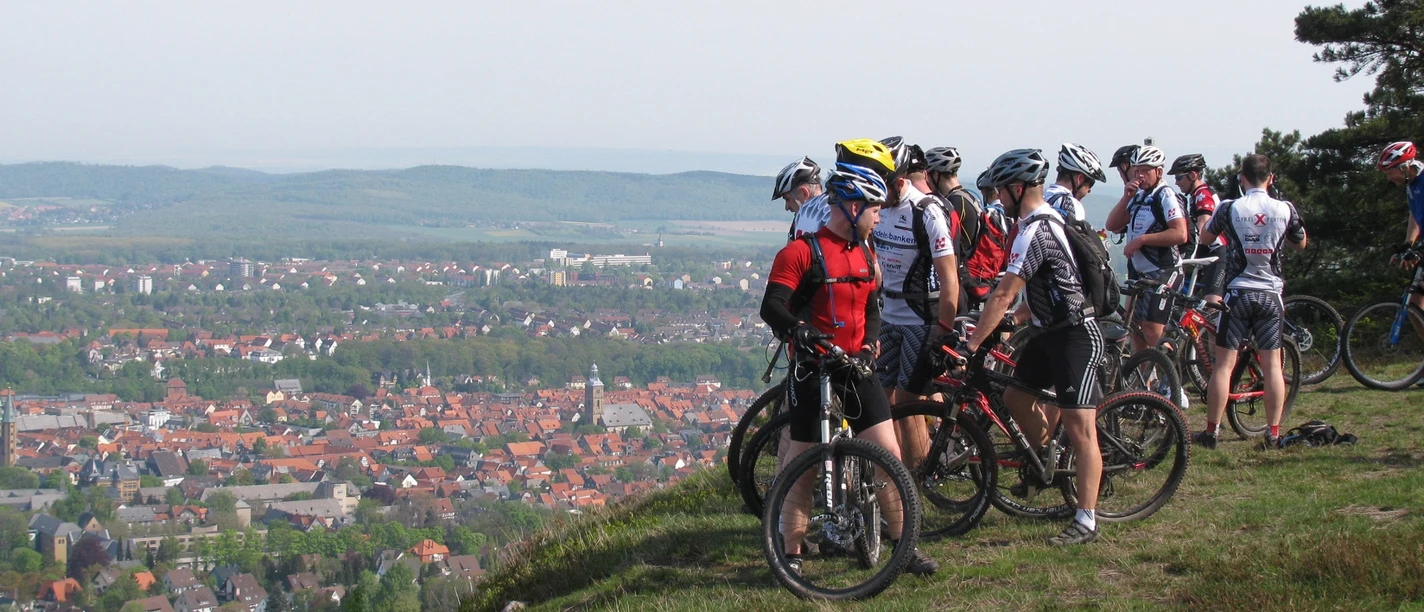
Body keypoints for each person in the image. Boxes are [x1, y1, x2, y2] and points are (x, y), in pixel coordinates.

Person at [759, 160, 939, 575]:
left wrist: (871, 344)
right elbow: (772, 305)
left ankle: (904, 546)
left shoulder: (864, 251)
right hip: (813, 367)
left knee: (888, 454)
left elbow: (872, 307)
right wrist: (799, 330)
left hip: (856, 365)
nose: (879, 217)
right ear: (853, 208)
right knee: (803, 464)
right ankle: (791, 552)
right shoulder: (800, 252)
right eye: (874, 209)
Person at [966, 149, 1106, 545]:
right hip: (1047, 333)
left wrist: (972, 343)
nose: (997, 197)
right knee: (1015, 397)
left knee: (1080, 429)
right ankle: (1048, 460)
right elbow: (1048, 287)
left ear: (1017, 188)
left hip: (1076, 335)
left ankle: (1086, 519)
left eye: (1000, 189)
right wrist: (1015, 319)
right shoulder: (1031, 224)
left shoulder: (1036, 230)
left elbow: (1003, 293)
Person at [1193, 154, 1307, 449]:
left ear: (1241, 178)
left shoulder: (1229, 207)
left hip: (1237, 294)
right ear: (1271, 178)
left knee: (1223, 366)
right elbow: (1301, 242)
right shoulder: (1285, 208)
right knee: (1272, 367)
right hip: (1270, 295)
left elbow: (1205, 237)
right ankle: (1273, 433)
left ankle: (1212, 432)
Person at [872, 138, 958, 470]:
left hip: (922, 319)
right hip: (889, 316)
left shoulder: (926, 211)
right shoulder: (878, 210)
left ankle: (920, 477)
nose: (878, 195)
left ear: (900, 181)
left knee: (909, 404)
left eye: (883, 186)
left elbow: (949, 280)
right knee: (883, 400)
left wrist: (944, 335)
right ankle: (899, 473)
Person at [1104, 145, 1189, 352]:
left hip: (1164, 270)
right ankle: (1143, 371)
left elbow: (1180, 234)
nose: (1140, 175)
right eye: (1136, 170)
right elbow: (1112, 225)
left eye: (1145, 170)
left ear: (1158, 172)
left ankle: (1166, 370)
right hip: (1141, 272)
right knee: (1135, 327)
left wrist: (1142, 240)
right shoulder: (1139, 195)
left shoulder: (1165, 195)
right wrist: (1127, 197)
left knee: (1152, 330)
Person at [1378, 141, 1424, 359]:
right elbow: (1415, 216)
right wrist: (1408, 245)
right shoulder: (1411, 184)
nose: (1389, 178)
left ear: (1405, 167)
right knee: (1414, 304)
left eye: (1390, 172)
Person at [1170, 153, 1226, 304]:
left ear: (1193, 175)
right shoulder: (1197, 194)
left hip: (1218, 253)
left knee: (1212, 303)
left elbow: (1202, 229)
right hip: (1208, 252)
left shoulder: (1202, 195)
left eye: (1179, 177)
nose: (1176, 182)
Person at [1047, 143, 1108, 222]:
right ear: (1080, 179)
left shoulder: (1041, 197)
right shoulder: (1071, 205)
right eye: (1091, 184)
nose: (1089, 190)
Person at [774, 157, 827, 243]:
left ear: (804, 193)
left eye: (788, 199)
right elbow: (790, 249)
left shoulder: (831, 218)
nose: (786, 207)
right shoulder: (799, 219)